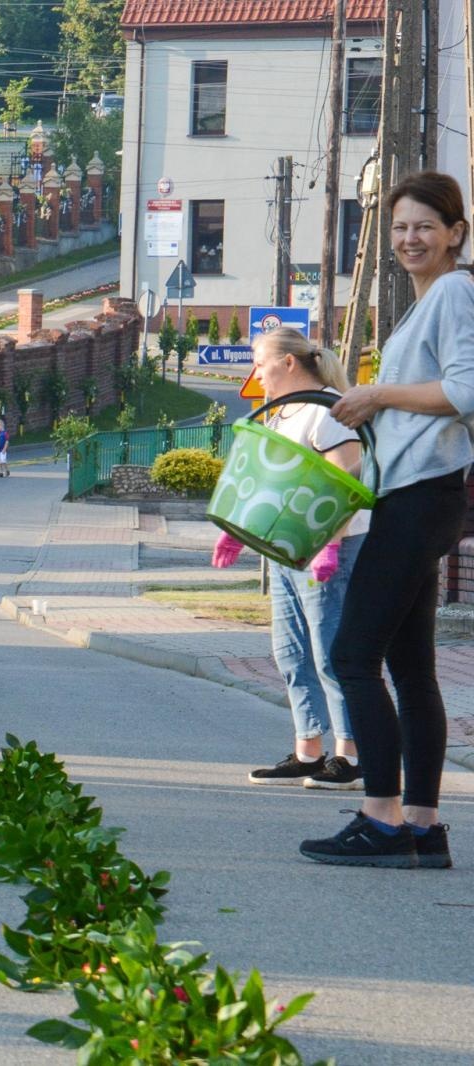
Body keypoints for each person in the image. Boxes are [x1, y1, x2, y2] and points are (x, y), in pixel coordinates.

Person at [305, 171, 474, 869]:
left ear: (456, 234)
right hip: (421, 493)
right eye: (400, 226)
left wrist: (376, 393)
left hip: (422, 494)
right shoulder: (428, 299)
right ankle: (424, 827)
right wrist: (359, 393)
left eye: (425, 226)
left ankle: (381, 816)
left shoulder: (458, 291)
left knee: (352, 654)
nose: (409, 238)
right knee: (409, 665)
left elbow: (465, 390)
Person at [213, 327, 366, 790]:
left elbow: (349, 477)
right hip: (287, 548)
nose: (255, 373)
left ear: (289, 363)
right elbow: (269, 479)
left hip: (326, 551)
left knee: (330, 651)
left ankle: (350, 755)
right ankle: (308, 750)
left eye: (260, 363)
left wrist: (331, 542)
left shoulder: (330, 409)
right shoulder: (283, 413)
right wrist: (238, 533)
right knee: (291, 651)